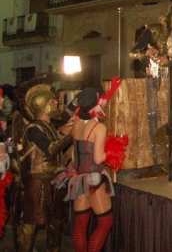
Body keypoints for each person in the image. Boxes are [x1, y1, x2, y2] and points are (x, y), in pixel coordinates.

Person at [55, 88, 115, 252]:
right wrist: (112, 150)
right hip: (94, 178)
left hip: (78, 178)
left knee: (81, 225)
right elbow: (98, 158)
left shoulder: (76, 124)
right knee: (105, 222)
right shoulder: (98, 128)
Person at [16, 86, 73, 252]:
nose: (56, 104)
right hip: (36, 180)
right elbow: (51, 149)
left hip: (51, 179)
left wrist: (61, 133)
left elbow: (52, 146)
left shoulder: (45, 126)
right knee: (30, 222)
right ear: (44, 105)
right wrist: (71, 135)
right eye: (52, 101)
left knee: (55, 221)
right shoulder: (34, 129)